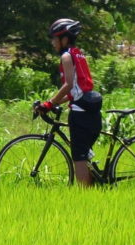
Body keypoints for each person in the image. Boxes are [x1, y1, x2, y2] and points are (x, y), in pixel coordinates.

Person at [34, 17, 104, 186]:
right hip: (92, 114)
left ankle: (84, 196)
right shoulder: (78, 54)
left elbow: (69, 85)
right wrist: (57, 102)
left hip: (80, 115)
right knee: (84, 155)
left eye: (54, 39)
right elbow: (77, 90)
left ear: (64, 39)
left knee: (79, 158)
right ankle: (94, 189)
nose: (52, 42)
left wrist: (49, 103)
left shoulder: (66, 56)